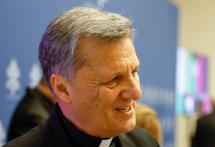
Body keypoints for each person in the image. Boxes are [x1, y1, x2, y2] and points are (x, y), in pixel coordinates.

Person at [4, 7, 159, 147]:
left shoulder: (145, 142)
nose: (136, 92)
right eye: (114, 79)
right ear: (62, 88)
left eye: (134, 72)